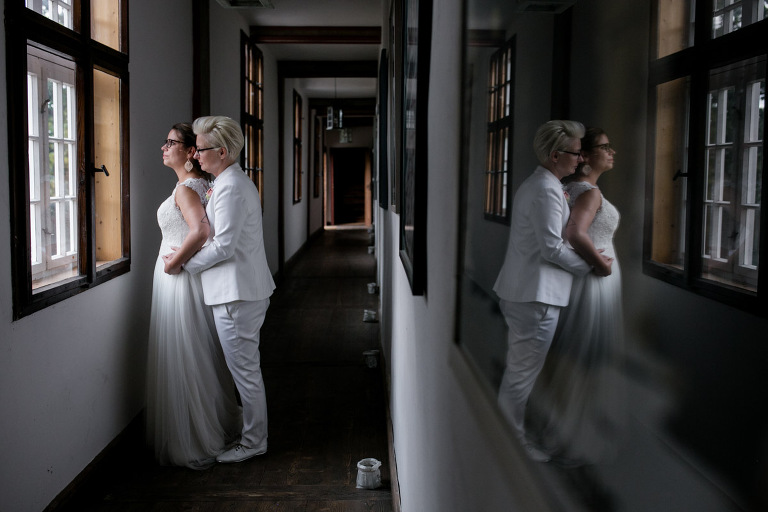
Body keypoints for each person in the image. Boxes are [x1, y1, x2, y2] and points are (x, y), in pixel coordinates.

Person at [493, 120, 613, 462]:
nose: (580, 159)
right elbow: (550, 248)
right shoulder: (545, 189)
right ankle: (511, 446)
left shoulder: (540, 184)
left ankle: (510, 439)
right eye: (575, 153)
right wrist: (591, 266)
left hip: (526, 291)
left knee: (520, 372)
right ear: (556, 154)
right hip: (536, 296)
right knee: (521, 375)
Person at [165, 115, 276, 464]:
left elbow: (224, 246)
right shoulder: (228, 181)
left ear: (223, 152)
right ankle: (251, 433)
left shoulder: (229, 186)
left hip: (236, 293)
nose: (195, 155)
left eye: (201, 149)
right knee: (244, 368)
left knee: (244, 371)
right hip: (240, 289)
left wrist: (185, 265)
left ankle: (254, 441)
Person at [146, 122, 242, 469]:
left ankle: (195, 436)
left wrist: (175, 264)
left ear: (190, 152)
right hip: (189, 277)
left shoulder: (187, 189)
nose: (163, 147)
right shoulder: (205, 185)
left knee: (185, 353)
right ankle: (209, 426)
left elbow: (201, 231)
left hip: (180, 279)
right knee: (197, 354)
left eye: (170, 142)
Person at [529, 127, 625, 466]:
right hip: (591, 283)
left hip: (578, 280)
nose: (612, 151)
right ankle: (568, 433)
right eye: (605, 146)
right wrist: (601, 265)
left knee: (571, 352)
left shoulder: (568, 188)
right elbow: (573, 233)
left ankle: (563, 425)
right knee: (584, 355)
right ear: (583, 156)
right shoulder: (588, 192)